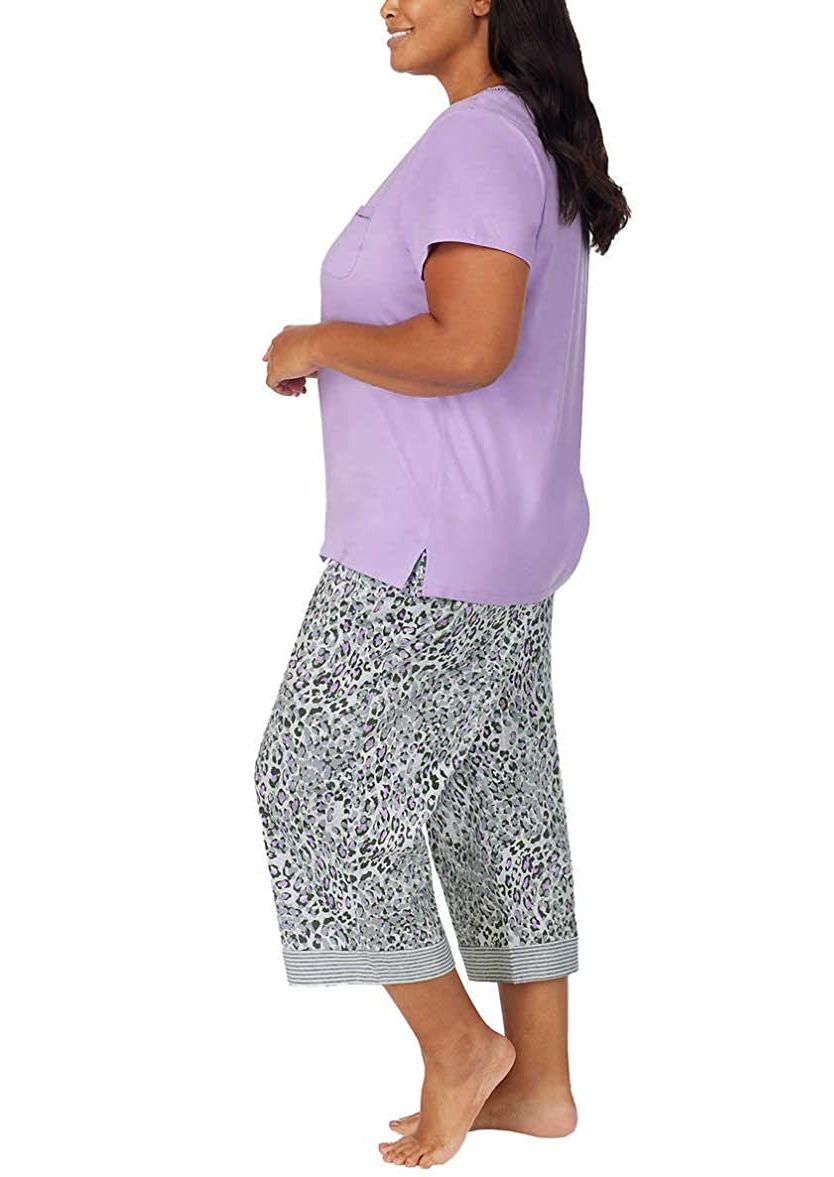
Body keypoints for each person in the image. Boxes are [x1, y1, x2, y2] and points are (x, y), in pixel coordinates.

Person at [255, 0, 629, 1166]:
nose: (386, 2)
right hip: (506, 540)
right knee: (495, 798)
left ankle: (461, 1048)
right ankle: (542, 1083)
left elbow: (470, 346)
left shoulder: (480, 140)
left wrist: (318, 342)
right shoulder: (520, 133)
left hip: (428, 547)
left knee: (310, 782)